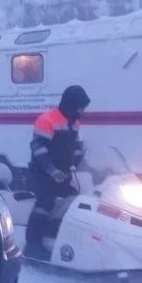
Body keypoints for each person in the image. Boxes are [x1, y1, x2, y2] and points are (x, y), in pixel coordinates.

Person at [23, 85, 91, 261]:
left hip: (62, 173)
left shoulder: (74, 121)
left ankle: (53, 236)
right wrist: (52, 170)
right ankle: (32, 245)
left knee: (74, 199)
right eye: (80, 107)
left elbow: (74, 146)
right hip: (41, 172)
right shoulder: (46, 120)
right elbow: (38, 149)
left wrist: (79, 163)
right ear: (70, 104)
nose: (82, 112)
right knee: (46, 200)